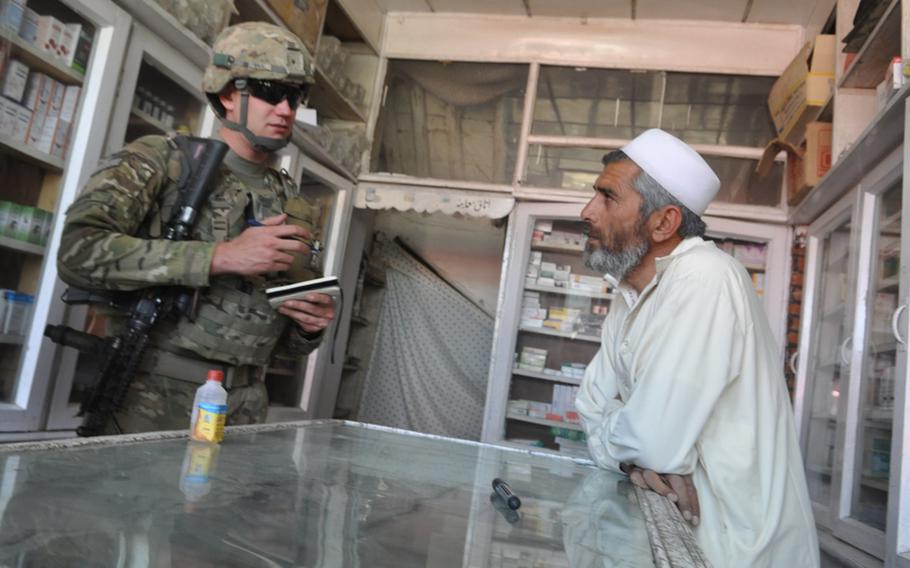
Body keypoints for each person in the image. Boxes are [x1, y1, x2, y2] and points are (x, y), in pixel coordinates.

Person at [57, 22, 336, 433]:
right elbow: (77, 252)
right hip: (151, 402)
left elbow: (284, 342)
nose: (286, 109)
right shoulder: (163, 161)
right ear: (226, 93)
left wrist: (309, 326)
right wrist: (219, 257)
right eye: (270, 92)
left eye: (295, 96)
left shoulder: (291, 202)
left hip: (246, 410)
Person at [575, 128, 818, 567]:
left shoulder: (706, 277)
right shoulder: (629, 292)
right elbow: (590, 405)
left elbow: (650, 441)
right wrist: (631, 457)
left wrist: (635, 444)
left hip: (740, 550)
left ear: (664, 222)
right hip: (683, 540)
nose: (586, 211)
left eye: (608, 197)